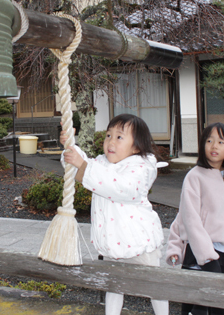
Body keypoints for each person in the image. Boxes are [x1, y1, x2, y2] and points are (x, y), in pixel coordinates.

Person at [61, 113, 168, 315]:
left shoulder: (141, 167)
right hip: (112, 242)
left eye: (119, 137)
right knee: (114, 285)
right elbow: (80, 168)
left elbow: (120, 187)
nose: (110, 141)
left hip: (139, 243)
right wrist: (70, 147)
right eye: (108, 135)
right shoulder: (102, 163)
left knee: (154, 285)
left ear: (136, 146)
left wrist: (82, 165)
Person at [166, 122, 224, 315]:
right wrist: (206, 255)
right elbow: (190, 218)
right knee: (196, 302)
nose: (214, 146)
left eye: (220, 141)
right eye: (209, 141)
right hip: (201, 252)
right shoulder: (195, 176)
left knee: (217, 304)